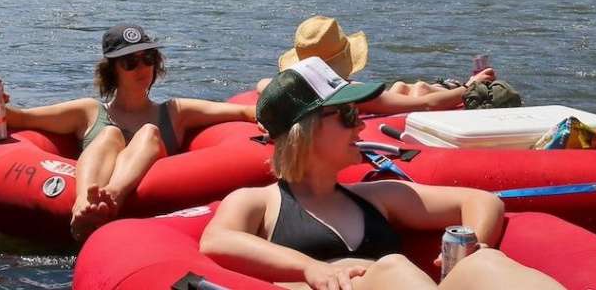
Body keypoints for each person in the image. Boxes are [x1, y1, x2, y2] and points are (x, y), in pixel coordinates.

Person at [201, 57, 565, 290]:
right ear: (304, 131)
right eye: (347, 116)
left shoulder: (378, 196)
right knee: (392, 269)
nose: (361, 126)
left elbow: (480, 201)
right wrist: (313, 269)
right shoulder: (259, 202)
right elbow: (216, 242)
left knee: (486, 263)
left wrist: (472, 244)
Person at [0, 24, 256, 240]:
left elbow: (243, 112)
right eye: (130, 62)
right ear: (112, 70)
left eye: (148, 58)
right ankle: (84, 206)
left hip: (137, 204)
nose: (142, 67)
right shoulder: (88, 112)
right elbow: (22, 118)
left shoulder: (175, 112)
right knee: (109, 135)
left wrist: (269, 112)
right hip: (90, 190)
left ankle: (112, 198)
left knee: (148, 132)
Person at [257, 16, 500, 114]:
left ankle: (446, 84)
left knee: (404, 85)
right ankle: (454, 84)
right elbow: (424, 104)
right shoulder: (347, 94)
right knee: (421, 90)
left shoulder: (283, 87)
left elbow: (262, 84)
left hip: (383, 98)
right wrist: (470, 86)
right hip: (395, 107)